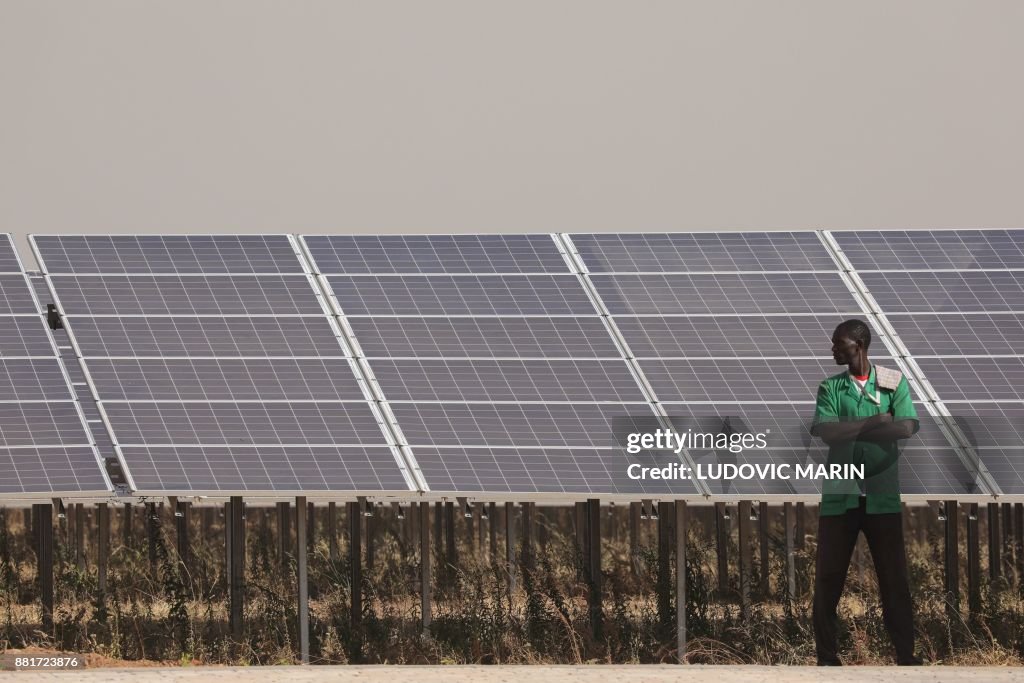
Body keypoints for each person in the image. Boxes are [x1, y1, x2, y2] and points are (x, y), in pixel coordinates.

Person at [810, 318, 922, 666]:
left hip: (881, 494)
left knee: (894, 577)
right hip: (839, 496)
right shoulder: (830, 388)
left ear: (858, 345)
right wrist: (875, 423)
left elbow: (905, 427)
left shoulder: (893, 382)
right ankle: (827, 657)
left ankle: (906, 655)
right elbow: (828, 433)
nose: (833, 349)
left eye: (838, 344)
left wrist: (853, 431)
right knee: (829, 578)